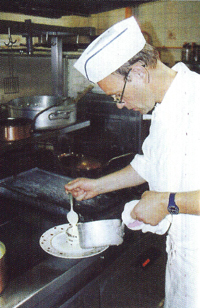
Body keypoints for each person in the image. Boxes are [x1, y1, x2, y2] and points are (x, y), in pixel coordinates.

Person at [65, 16, 200, 307]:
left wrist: (167, 202)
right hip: (183, 265)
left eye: (118, 94)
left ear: (138, 73)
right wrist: (98, 186)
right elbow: (148, 163)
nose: (120, 105)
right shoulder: (164, 106)